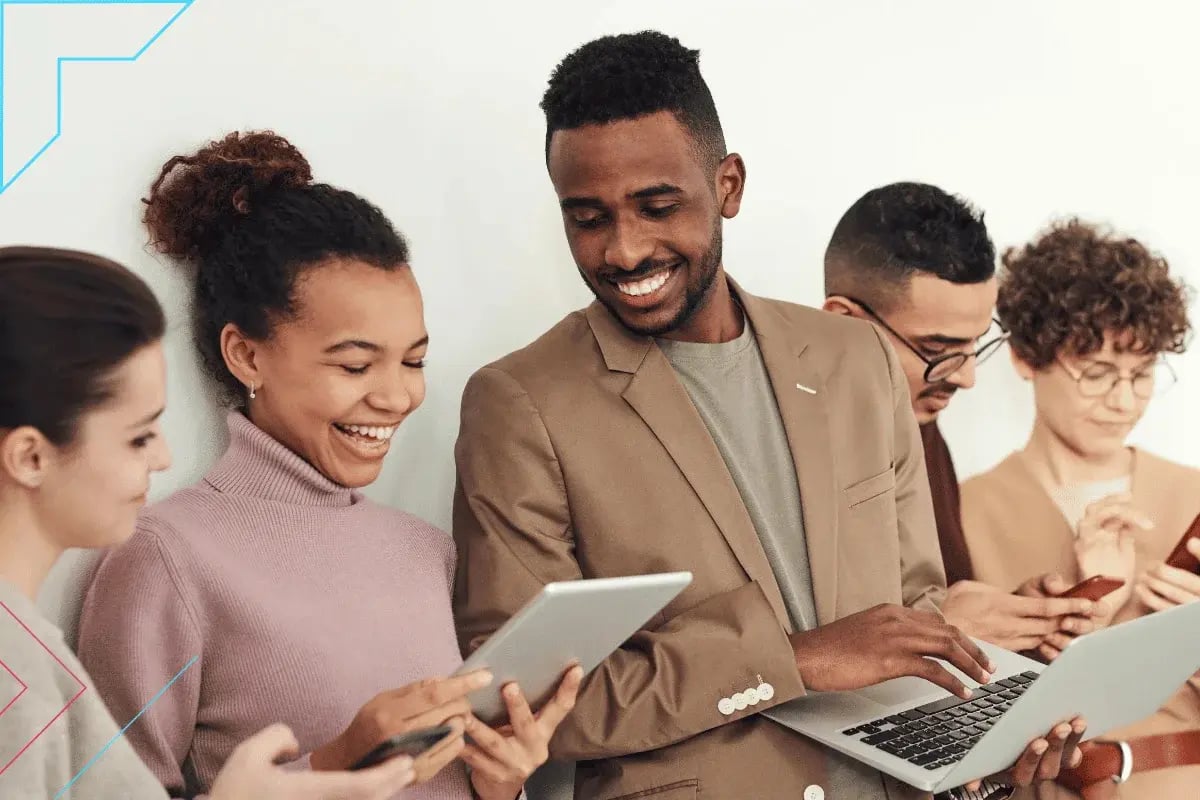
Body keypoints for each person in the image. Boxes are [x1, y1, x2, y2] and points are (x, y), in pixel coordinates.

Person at [452, 31, 1084, 800]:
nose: (622, 250)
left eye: (657, 206)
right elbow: (522, 701)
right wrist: (793, 658)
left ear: (728, 186)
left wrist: (987, 747)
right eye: (586, 217)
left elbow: (915, 613)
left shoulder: (857, 361)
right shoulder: (520, 404)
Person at [74, 132, 581, 800]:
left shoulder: (424, 550)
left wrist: (500, 785)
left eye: (414, 360)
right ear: (246, 355)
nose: (397, 395)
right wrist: (336, 761)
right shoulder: (166, 559)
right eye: (354, 364)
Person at [0, 245, 423, 800]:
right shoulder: (16, 671)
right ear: (31, 458)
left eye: (414, 361)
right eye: (138, 436)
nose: (163, 458)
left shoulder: (30, 649)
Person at [960, 219, 1200, 798]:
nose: (1123, 401)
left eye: (1142, 376)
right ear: (1024, 356)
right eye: (1096, 374)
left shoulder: (1194, 496)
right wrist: (1085, 609)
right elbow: (953, 706)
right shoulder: (961, 510)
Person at [821, 182, 1105, 655]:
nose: (967, 378)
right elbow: (776, 662)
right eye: (937, 350)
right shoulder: (770, 444)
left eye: (976, 345)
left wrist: (1015, 621)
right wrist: (933, 627)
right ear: (843, 322)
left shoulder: (921, 428)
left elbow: (947, 613)